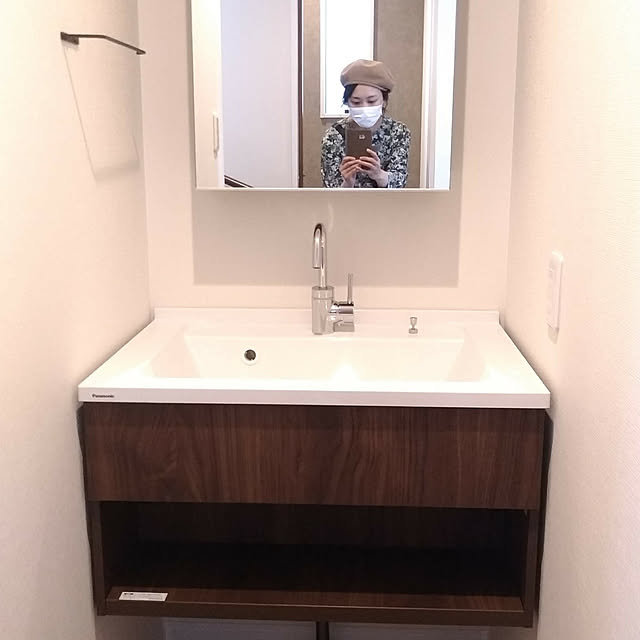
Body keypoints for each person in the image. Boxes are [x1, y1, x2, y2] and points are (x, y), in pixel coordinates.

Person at [321, 59, 411, 189]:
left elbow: (400, 183)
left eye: (372, 101)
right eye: (356, 102)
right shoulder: (334, 137)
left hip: (385, 202)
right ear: (347, 102)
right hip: (347, 202)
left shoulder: (398, 133)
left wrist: (379, 174)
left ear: (384, 101)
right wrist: (347, 182)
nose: (364, 107)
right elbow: (329, 192)